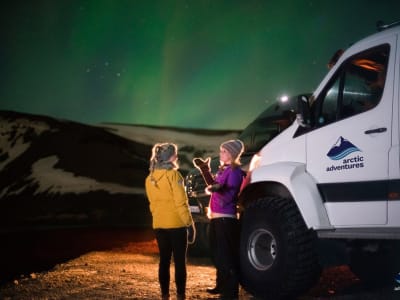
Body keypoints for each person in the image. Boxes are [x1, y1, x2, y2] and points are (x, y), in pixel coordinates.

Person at [145, 142, 194, 300]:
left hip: (159, 225)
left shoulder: (150, 178)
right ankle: (181, 296)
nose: (177, 156)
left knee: (164, 261)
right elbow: (181, 203)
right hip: (177, 225)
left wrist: (158, 217)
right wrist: (189, 224)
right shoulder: (174, 175)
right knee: (180, 262)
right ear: (170, 158)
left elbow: (152, 204)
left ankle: (165, 296)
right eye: (175, 154)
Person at [206, 139, 245, 299]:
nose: (220, 153)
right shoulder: (224, 169)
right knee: (218, 253)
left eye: (224, 151)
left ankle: (230, 292)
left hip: (225, 218)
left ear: (232, 154)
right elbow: (216, 188)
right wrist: (206, 172)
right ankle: (221, 285)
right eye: (221, 150)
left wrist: (218, 191)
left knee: (226, 255)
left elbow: (231, 194)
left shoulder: (234, 171)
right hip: (217, 217)